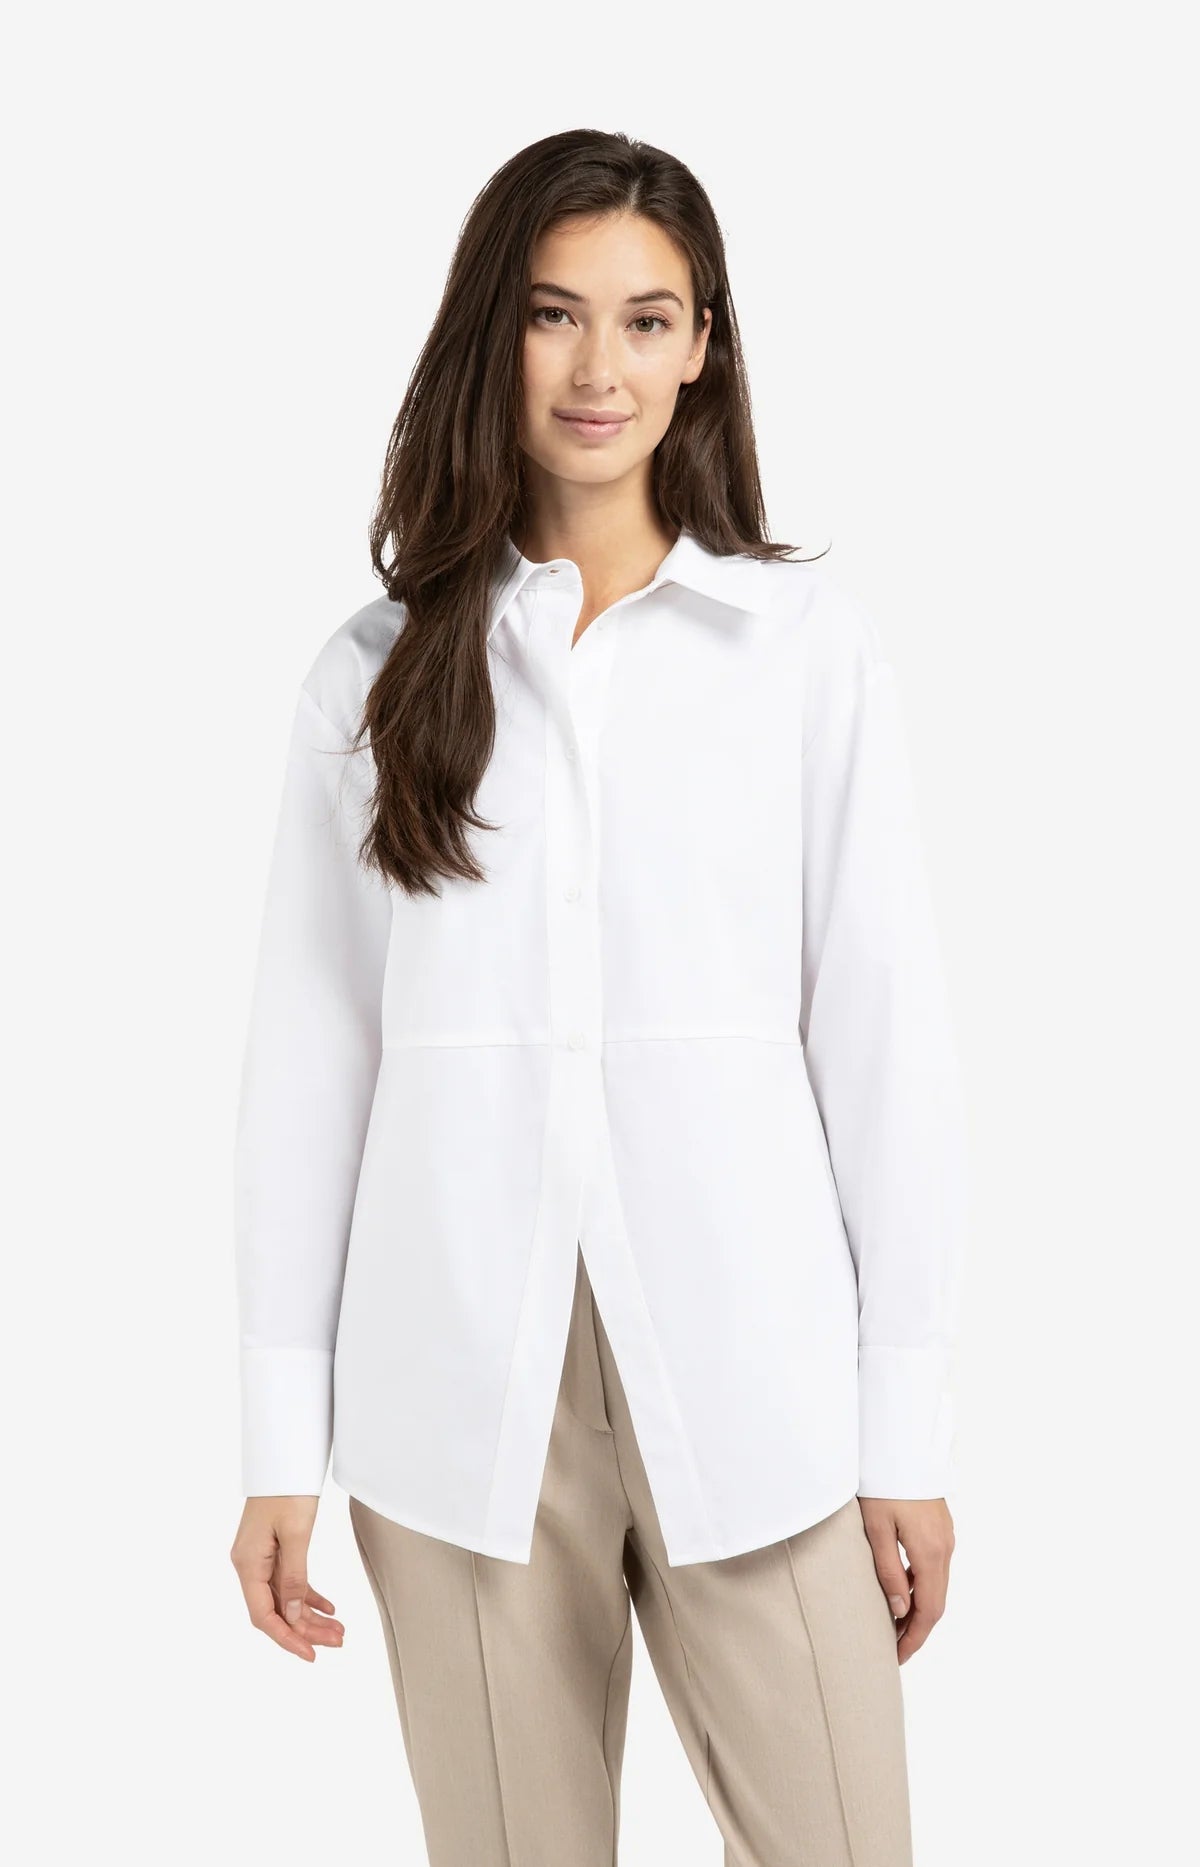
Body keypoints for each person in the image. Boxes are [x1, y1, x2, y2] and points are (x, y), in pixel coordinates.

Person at [229, 128, 967, 1867]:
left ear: (704, 343)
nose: (597, 368)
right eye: (555, 314)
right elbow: (312, 1067)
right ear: (495, 332)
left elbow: (883, 1049)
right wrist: (278, 1443)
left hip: (758, 1382)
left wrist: (906, 1429)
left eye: (646, 320)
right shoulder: (374, 673)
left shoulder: (803, 658)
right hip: (456, 1399)